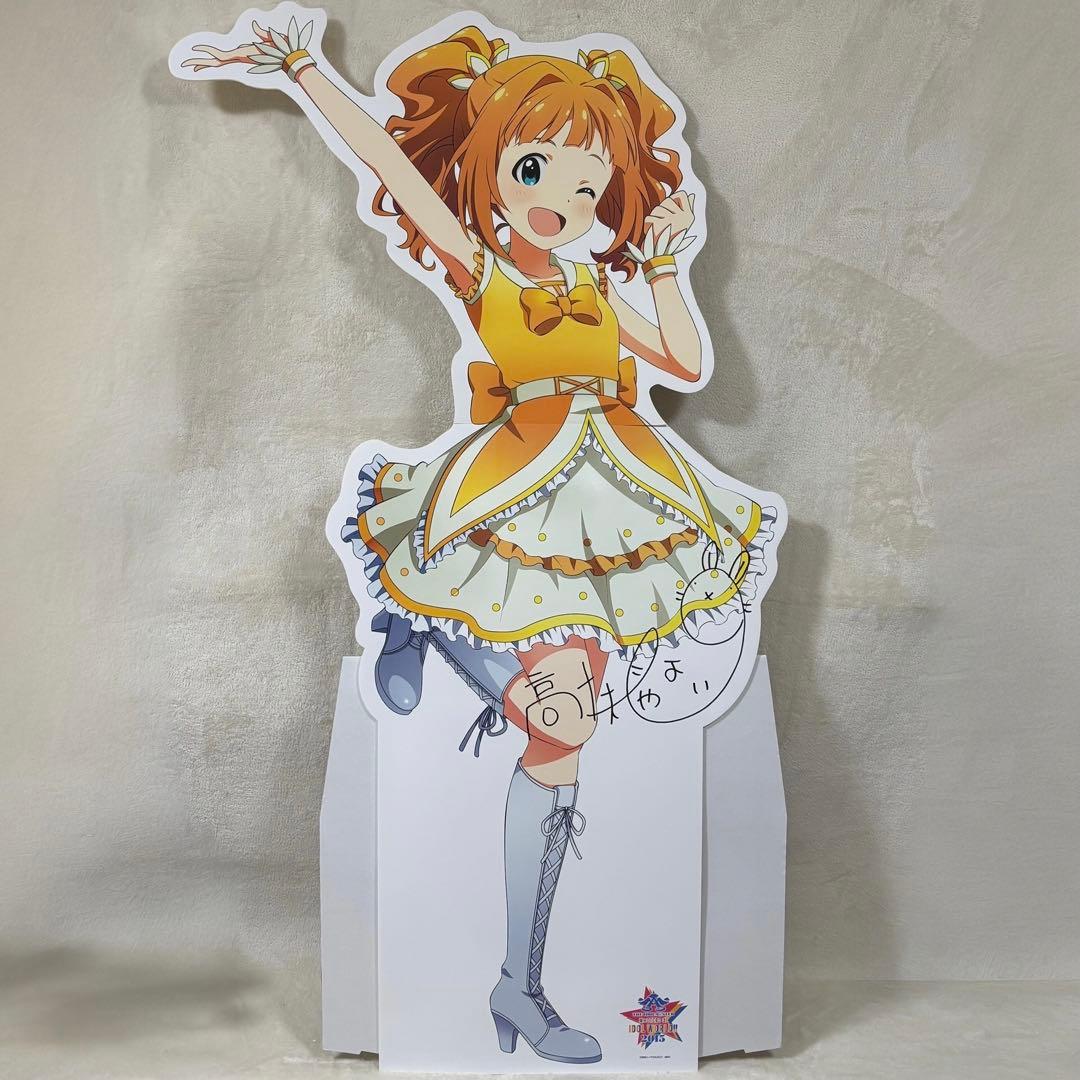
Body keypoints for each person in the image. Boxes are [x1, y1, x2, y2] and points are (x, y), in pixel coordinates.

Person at [180, 15, 779, 1064]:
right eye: (535, 168)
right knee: (563, 717)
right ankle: (522, 976)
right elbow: (388, 166)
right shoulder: (484, 273)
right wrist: (304, 71)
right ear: (493, 165)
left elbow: (684, 361)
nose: (560, 201)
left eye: (587, 187)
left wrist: (665, 264)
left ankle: (516, 984)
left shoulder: (595, 284)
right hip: (516, 487)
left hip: (621, 490)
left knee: (564, 731)